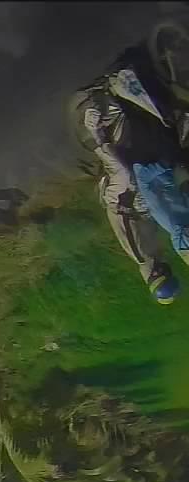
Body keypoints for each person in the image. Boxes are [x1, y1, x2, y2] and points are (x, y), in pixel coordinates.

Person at [77, 43, 188, 304]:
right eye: (168, 274)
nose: (165, 271)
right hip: (146, 198)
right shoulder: (160, 253)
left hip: (124, 202)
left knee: (122, 171)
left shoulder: (143, 255)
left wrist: (136, 199)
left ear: (155, 276)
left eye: (162, 275)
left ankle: (95, 130)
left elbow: (132, 221)